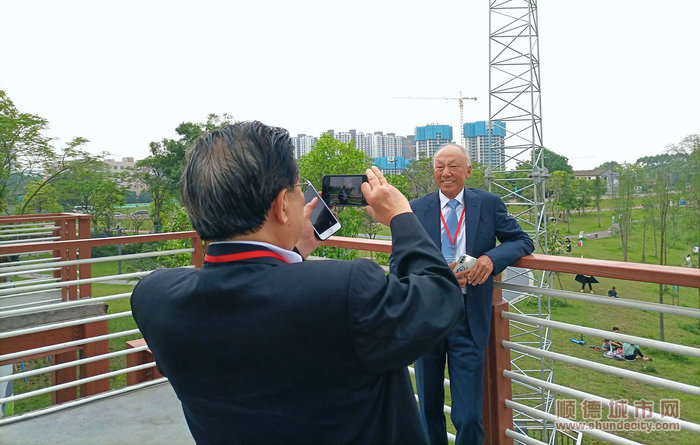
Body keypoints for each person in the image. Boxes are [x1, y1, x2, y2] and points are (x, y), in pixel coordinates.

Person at [131, 121, 465, 445]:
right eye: (295, 188)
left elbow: (258, 305)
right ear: (281, 206)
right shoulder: (346, 288)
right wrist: (401, 217)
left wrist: (292, 251)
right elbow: (439, 297)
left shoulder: (154, 298)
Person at [390, 144, 534, 445]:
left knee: (468, 415)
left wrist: (491, 259)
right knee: (428, 407)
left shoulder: (489, 203)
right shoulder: (415, 209)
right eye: (440, 166)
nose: (446, 173)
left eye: (453, 166)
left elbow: (521, 241)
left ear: (467, 171)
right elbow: (399, 261)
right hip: (426, 316)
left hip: (468, 318)